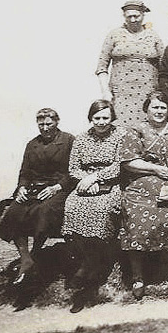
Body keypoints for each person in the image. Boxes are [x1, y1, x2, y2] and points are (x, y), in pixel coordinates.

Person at [118, 92, 168, 300]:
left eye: (163, 107)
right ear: (146, 109)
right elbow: (128, 162)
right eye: (155, 107)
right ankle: (138, 275)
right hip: (143, 182)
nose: (159, 111)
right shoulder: (136, 130)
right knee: (137, 215)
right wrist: (155, 169)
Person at [0, 108, 75, 288]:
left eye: (49, 124)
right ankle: (26, 258)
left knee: (44, 211)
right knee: (14, 210)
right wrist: (22, 187)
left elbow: (74, 171)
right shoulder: (32, 144)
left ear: (57, 122)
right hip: (34, 188)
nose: (45, 128)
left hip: (59, 188)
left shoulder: (69, 140)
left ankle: (36, 252)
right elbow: (25, 172)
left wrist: (57, 187)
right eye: (41, 124)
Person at [61, 100, 126, 313]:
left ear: (112, 118)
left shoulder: (120, 135)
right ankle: (89, 261)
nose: (101, 122)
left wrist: (96, 177)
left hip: (111, 183)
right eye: (97, 118)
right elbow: (73, 168)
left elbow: (120, 165)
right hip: (85, 184)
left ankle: (92, 266)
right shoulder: (81, 139)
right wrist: (87, 180)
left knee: (101, 210)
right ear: (91, 118)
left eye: (105, 118)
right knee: (72, 207)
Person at [96, 0, 165, 126]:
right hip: (120, 92)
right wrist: (105, 91)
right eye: (129, 16)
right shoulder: (114, 35)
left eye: (136, 16)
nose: (133, 20)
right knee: (120, 127)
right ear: (124, 16)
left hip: (147, 92)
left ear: (143, 15)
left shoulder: (153, 36)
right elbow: (101, 67)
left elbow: (164, 66)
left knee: (146, 127)